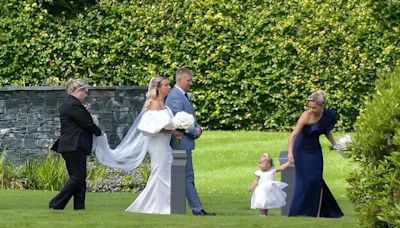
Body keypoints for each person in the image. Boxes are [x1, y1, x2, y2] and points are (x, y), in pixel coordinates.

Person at [93, 76, 183, 214]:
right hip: (158, 144)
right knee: (160, 172)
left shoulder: (163, 104)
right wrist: (173, 131)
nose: (169, 87)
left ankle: (162, 205)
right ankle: (160, 207)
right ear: (158, 88)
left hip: (164, 143)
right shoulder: (154, 104)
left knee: (164, 171)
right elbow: (153, 126)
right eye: (166, 85)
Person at [165, 68, 216, 216]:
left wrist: (198, 128)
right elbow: (179, 122)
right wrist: (194, 132)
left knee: (187, 176)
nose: (190, 83)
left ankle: (195, 208)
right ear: (179, 80)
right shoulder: (175, 97)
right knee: (188, 176)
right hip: (180, 142)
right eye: (188, 80)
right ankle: (197, 209)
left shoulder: (184, 96)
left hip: (186, 141)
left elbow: (190, 117)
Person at [287, 90, 344, 217]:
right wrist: (290, 153)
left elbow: (326, 131)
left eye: (314, 107)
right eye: (309, 106)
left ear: (322, 106)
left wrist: (335, 144)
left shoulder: (327, 116)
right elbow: (293, 135)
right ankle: (298, 212)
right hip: (301, 149)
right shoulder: (305, 116)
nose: (310, 109)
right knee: (305, 181)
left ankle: (321, 212)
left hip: (315, 150)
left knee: (315, 179)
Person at [49, 78, 102, 210]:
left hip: (71, 145)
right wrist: (99, 132)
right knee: (78, 177)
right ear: (79, 91)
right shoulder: (73, 105)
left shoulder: (71, 104)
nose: (86, 94)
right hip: (74, 145)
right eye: (85, 91)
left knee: (79, 178)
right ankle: (56, 203)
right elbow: (87, 123)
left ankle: (79, 207)